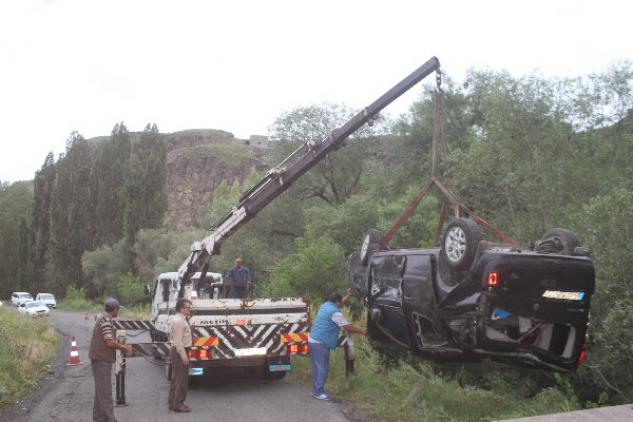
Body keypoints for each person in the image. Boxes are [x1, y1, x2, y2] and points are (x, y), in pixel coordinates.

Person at [309, 288, 367, 401]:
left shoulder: (325, 305)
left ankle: (316, 389)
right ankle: (318, 391)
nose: (341, 304)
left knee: (317, 366)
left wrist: (348, 295)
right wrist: (362, 331)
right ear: (337, 302)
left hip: (313, 339)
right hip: (321, 342)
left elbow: (338, 305)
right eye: (340, 302)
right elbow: (346, 326)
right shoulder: (335, 312)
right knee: (322, 368)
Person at [89, 297, 132, 422]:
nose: (118, 311)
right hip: (102, 360)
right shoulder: (106, 320)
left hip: (98, 359)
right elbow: (109, 342)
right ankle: (110, 419)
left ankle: (98, 418)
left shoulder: (102, 317)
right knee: (105, 393)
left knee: (100, 392)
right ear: (114, 309)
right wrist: (124, 347)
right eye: (118, 309)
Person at [168, 298, 193, 412]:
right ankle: (178, 404)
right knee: (180, 379)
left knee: (176, 378)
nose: (189, 309)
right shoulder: (179, 321)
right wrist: (183, 356)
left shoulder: (181, 319)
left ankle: (172, 402)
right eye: (188, 307)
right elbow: (178, 341)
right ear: (182, 308)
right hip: (180, 351)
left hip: (179, 350)